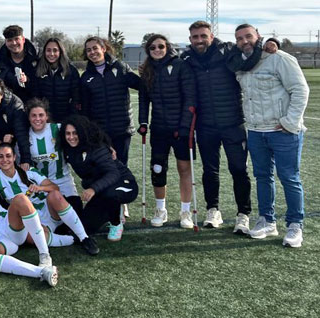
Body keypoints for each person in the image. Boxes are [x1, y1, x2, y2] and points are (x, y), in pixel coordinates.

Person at [231, 23, 309, 247]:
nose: (244, 41)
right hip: (256, 130)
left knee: (289, 178)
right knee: (263, 177)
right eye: (239, 38)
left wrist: (289, 122)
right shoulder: (240, 63)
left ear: (259, 37)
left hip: (283, 131)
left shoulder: (279, 58)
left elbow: (300, 90)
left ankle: (295, 225)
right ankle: (267, 220)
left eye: (248, 36)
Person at [181, 20, 252, 233]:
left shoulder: (228, 50)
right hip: (205, 125)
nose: (200, 40)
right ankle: (213, 210)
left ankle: (243, 214)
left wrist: (271, 42)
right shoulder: (187, 58)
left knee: (239, 169)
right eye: (195, 37)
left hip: (233, 123)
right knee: (210, 171)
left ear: (211, 36)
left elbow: (250, 51)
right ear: (190, 39)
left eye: (203, 36)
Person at [0, 143, 98, 257]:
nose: (5, 160)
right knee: (30, 237)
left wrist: (40, 188)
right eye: (1, 156)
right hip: (34, 220)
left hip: (50, 211)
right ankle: (73, 239)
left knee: (54, 195)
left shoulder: (28, 170)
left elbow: (55, 187)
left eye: (8, 156)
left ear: (14, 157)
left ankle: (84, 237)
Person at [138, 34, 198, 229]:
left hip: (181, 129)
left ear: (167, 47)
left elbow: (190, 97)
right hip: (159, 129)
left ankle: (185, 212)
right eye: (153, 47)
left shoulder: (180, 65)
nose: (157, 50)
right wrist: (143, 122)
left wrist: (184, 126)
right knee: (157, 169)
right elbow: (144, 100)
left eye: (160, 46)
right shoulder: (147, 70)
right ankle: (160, 210)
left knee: (184, 169)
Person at [58, 115, 139, 241]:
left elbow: (113, 174)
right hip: (102, 189)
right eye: (68, 133)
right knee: (84, 229)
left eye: (75, 133)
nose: (71, 137)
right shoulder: (68, 149)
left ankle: (116, 223)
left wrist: (93, 189)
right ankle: (113, 208)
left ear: (82, 132)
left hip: (124, 184)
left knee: (110, 194)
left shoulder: (96, 148)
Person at [79, 37, 140, 167]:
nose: (92, 52)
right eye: (89, 50)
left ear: (103, 48)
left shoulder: (120, 67)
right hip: (100, 132)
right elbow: (85, 108)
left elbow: (141, 85)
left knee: (121, 167)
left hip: (122, 130)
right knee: (103, 167)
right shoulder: (86, 77)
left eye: (95, 48)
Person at [25, 98, 81, 210]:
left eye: (41, 115)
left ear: (46, 116)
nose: (37, 119)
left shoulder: (58, 129)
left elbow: (84, 131)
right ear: (29, 117)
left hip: (63, 181)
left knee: (77, 214)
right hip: (41, 185)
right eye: (34, 115)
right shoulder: (25, 137)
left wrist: (106, 144)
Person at [32, 38, 81, 122]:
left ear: (61, 52)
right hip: (45, 119)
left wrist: (72, 117)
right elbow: (35, 96)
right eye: (48, 50)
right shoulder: (37, 70)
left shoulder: (71, 71)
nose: (51, 54)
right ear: (44, 52)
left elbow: (76, 97)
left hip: (66, 118)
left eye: (55, 50)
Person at [0, 25, 38, 102]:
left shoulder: (37, 58)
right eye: (10, 40)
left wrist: (27, 80)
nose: (14, 43)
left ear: (23, 39)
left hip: (33, 106)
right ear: (6, 42)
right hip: (8, 106)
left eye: (17, 39)